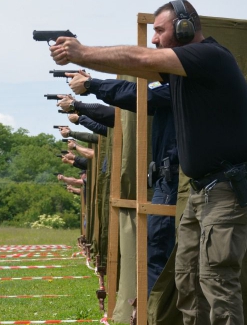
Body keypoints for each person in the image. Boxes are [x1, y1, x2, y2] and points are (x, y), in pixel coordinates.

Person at [49, 0, 247, 325]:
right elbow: (139, 73)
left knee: (217, 275)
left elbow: (140, 59)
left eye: (160, 31)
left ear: (185, 28)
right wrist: (92, 78)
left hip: (228, 185)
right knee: (186, 273)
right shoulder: (185, 72)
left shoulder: (209, 57)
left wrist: (82, 52)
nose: (154, 40)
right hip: (204, 186)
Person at [66, 72, 177, 295]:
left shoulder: (174, 86)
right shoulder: (173, 86)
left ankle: (153, 310)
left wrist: (81, 105)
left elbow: (115, 115)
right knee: (155, 245)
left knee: (157, 246)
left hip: (170, 179)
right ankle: (151, 309)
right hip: (165, 178)